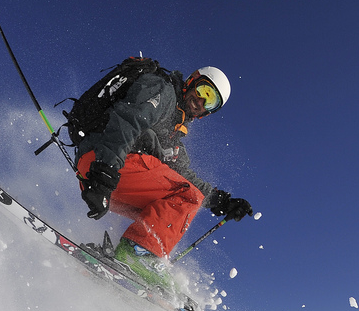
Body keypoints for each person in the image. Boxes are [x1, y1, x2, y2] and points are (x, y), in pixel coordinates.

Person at [75, 64, 253, 292]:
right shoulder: (163, 91)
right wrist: (104, 170)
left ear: (208, 112)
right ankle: (136, 254)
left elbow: (183, 176)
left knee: (167, 209)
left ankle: (129, 260)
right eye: (203, 91)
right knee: (188, 196)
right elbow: (128, 120)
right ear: (193, 80)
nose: (200, 101)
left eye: (209, 102)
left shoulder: (172, 135)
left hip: (106, 175)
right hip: (104, 163)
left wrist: (221, 200)